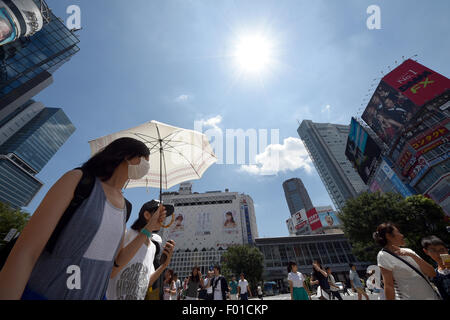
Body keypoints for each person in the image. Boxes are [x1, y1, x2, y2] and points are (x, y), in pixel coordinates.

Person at [0, 137, 154, 300]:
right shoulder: (78, 180)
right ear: (127, 155)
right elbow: (26, 251)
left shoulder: (126, 207)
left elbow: (114, 267)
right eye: (144, 160)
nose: (146, 166)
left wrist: (149, 227)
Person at [106, 200, 176, 300]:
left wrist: (164, 265)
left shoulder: (152, 247)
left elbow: (147, 282)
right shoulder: (126, 235)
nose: (163, 217)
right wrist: (148, 229)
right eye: (159, 213)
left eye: (164, 215)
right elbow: (112, 270)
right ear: (147, 215)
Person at [374, 223, 439, 300]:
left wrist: (412, 255)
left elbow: (432, 273)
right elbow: (389, 285)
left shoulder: (408, 251)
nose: (402, 235)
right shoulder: (383, 256)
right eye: (398, 232)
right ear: (388, 236)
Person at [422, 236, 450, 301]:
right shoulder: (434, 275)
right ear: (426, 252)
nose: (439, 254)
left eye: (442, 250)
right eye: (433, 250)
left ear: (446, 250)